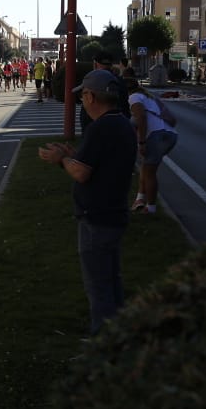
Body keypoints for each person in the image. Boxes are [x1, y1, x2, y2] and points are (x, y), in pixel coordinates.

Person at [36, 70, 134, 333]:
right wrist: (73, 156)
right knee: (111, 279)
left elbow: (81, 172)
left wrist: (62, 159)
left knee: (98, 285)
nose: (82, 101)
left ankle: (104, 342)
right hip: (114, 211)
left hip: (97, 216)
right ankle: (121, 333)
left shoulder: (100, 127)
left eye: (83, 96)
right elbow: (96, 163)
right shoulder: (121, 123)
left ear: (91, 96)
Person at [126, 77, 178, 215]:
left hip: (155, 136)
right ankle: (140, 199)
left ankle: (150, 208)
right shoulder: (148, 97)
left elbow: (141, 118)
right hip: (170, 134)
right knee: (146, 167)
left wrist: (142, 142)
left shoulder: (134, 98)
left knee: (150, 173)